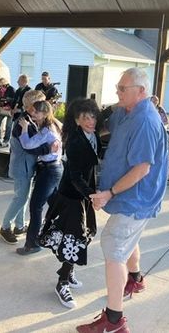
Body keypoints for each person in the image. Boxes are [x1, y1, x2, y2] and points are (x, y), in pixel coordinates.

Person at [78, 68, 168, 333]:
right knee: (130, 239)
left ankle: (115, 321)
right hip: (129, 195)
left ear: (141, 92)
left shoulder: (145, 122)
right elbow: (106, 128)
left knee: (114, 247)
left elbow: (142, 169)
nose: (117, 92)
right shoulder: (124, 111)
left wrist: (110, 193)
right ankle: (136, 279)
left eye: (122, 89)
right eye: (117, 87)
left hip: (136, 197)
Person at [39, 98, 102, 309]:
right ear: (77, 120)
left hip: (83, 197)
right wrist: (93, 194)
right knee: (74, 241)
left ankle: (69, 272)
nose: (91, 121)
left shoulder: (92, 136)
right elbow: (75, 176)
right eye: (85, 118)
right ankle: (62, 283)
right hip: (72, 197)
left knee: (85, 234)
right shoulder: (76, 141)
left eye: (93, 116)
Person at [0, 89, 51, 244]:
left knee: (23, 196)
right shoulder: (23, 122)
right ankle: (5, 227)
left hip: (26, 166)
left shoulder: (29, 119)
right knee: (20, 198)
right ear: (33, 105)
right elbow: (29, 147)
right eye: (41, 103)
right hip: (22, 167)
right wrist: (49, 148)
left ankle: (19, 226)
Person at [15, 100, 63, 256]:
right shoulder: (50, 125)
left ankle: (33, 244)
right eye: (32, 110)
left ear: (44, 113)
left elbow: (28, 145)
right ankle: (63, 232)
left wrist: (24, 129)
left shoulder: (47, 130)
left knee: (36, 206)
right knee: (55, 205)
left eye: (36, 112)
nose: (32, 113)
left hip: (50, 170)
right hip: (53, 169)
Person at [0, 77, 15, 146]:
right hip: (2, 109)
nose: (1, 87)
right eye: (0, 85)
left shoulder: (11, 89)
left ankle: (6, 139)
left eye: (2, 85)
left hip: (10, 109)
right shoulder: (0, 90)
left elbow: (14, 100)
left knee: (8, 125)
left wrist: (9, 105)